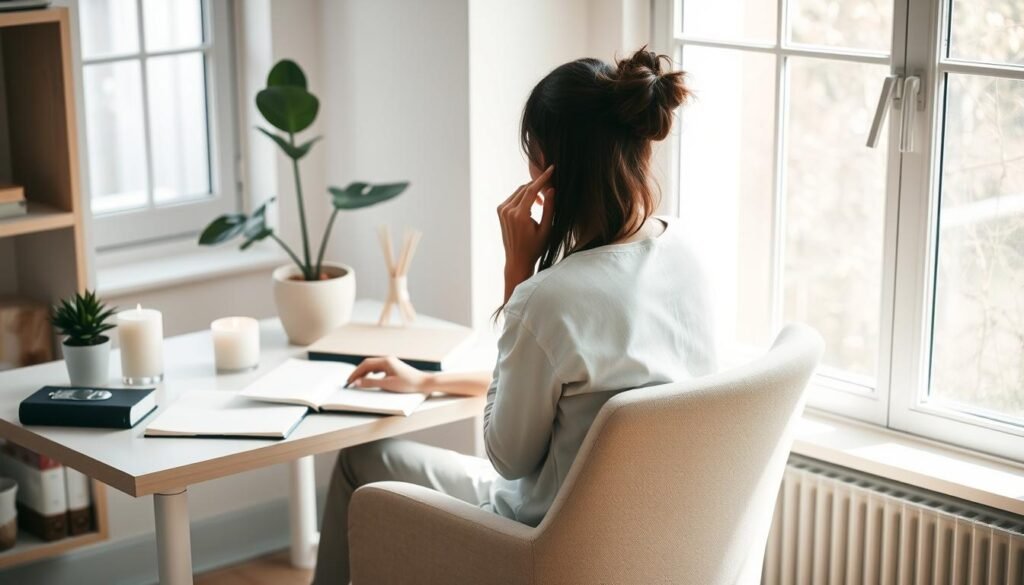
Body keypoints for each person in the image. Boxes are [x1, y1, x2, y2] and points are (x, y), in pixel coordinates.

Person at [311, 47, 717, 584]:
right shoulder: (687, 253)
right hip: (649, 550)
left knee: (361, 461)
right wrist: (428, 380)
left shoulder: (549, 298)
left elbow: (507, 457)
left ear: (550, 174)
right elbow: (575, 393)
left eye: (532, 154)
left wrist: (518, 277)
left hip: (540, 547)